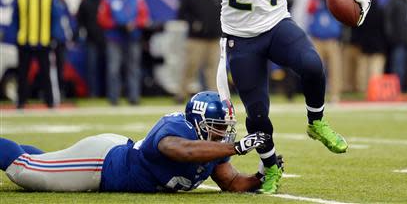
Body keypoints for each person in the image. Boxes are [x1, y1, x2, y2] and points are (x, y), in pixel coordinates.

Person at [127, 0, 372, 194]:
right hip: (240, 38)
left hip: (276, 25)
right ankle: (270, 167)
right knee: (257, 115)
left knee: (312, 65)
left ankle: (316, 121)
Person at [0, 92, 272, 193]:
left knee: (45, 161)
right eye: (217, 127)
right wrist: (235, 147)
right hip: (100, 165)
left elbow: (232, 182)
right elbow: (179, 150)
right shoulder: (176, 129)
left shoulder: (212, 147)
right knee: (24, 170)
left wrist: (261, 175)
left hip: (112, 156)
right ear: (199, 122)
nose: (223, 134)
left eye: (225, 129)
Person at [97, 0, 150, 105]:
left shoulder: (136, 1)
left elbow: (144, 18)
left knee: (133, 68)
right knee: (113, 69)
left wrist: (134, 24)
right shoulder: (109, 1)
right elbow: (102, 19)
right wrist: (117, 24)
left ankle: (134, 97)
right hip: (115, 38)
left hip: (132, 38)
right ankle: (114, 98)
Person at [9, 0, 57, 109]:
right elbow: (15, 19)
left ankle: (50, 102)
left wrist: (53, 36)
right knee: (23, 74)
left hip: (43, 41)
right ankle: (21, 102)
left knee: (45, 74)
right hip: (25, 41)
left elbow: (54, 18)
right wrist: (15, 38)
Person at [177, 0, 222, 103]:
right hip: (196, 39)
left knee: (213, 70)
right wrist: (193, 23)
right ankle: (181, 93)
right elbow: (181, 13)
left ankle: (214, 96)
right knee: (190, 67)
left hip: (214, 38)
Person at [307, 0, 342, 102]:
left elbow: (340, 10)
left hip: (332, 40)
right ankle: (316, 95)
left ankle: (335, 95)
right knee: (316, 70)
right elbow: (309, 10)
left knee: (335, 69)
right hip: (317, 40)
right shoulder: (315, 0)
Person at [77, 0, 105, 98]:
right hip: (90, 39)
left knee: (105, 67)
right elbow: (79, 20)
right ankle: (92, 93)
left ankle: (106, 93)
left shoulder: (104, 0)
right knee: (91, 68)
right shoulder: (85, 1)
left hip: (105, 39)